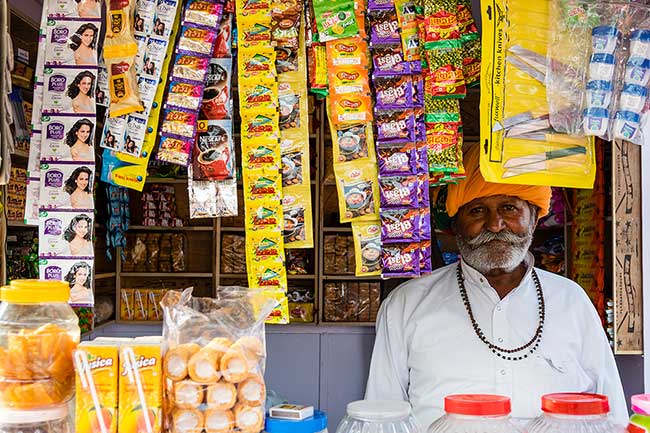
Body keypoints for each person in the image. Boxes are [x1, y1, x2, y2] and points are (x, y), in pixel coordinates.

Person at [365, 144, 627, 427]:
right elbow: (381, 418)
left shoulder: (571, 301)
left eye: (509, 208)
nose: (494, 224)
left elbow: (610, 415)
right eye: (477, 210)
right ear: (456, 225)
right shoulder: (407, 304)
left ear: (534, 218)